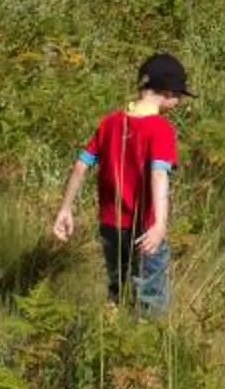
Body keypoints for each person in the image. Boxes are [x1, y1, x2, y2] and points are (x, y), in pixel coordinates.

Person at [50, 52, 192, 317]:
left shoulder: (110, 122)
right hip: (144, 228)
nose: (180, 101)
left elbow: (81, 165)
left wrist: (65, 209)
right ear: (168, 92)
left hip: (111, 226)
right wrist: (160, 224)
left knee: (117, 289)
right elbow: (159, 175)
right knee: (150, 298)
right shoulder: (161, 129)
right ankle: (143, 347)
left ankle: (113, 332)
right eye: (180, 95)